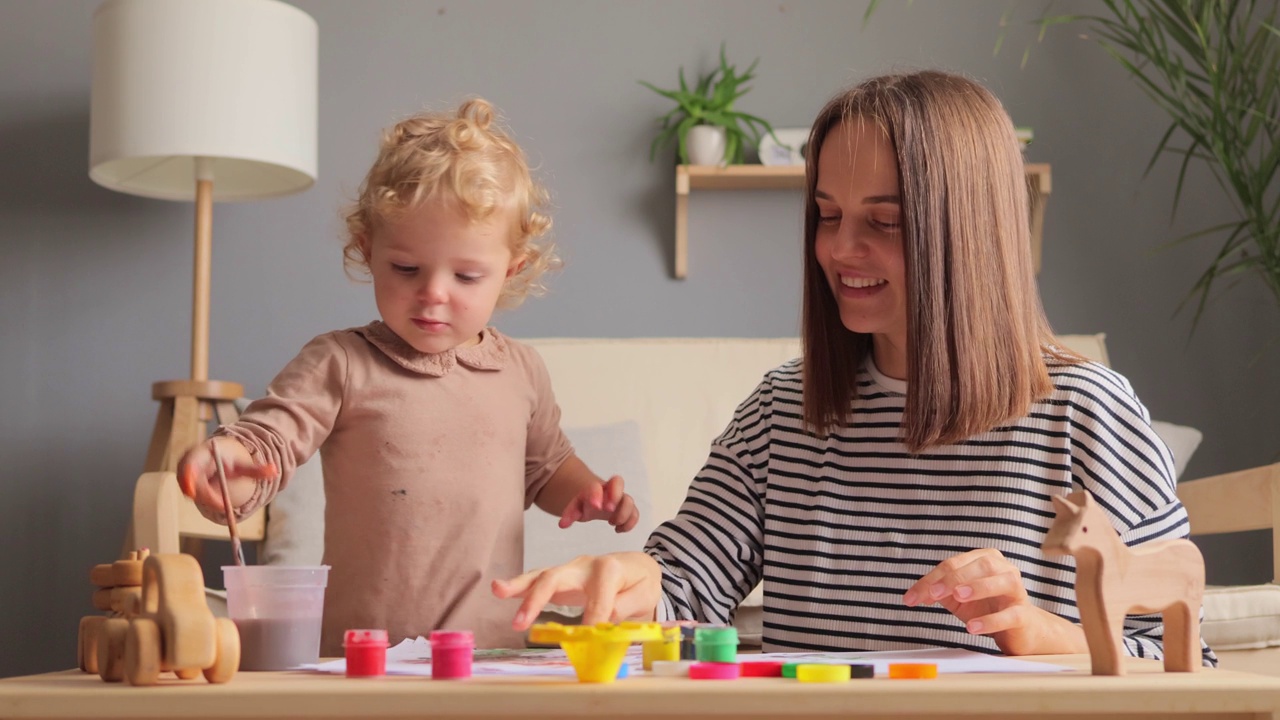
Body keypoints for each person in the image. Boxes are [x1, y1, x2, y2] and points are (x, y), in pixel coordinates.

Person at [494, 71, 1215, 666]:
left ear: (965, 229)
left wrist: (1036, 632)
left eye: (885, 221)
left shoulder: (1086, 412)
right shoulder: (786, 408)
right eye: (827, 215)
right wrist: (626, 576)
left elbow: (1181, 660)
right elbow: (687, 582)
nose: (840, 250)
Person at [178, 98, 639, 655]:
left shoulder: (522, 371)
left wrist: (588, 491)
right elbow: (273, 436)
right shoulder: (341, 362)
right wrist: (231, 466)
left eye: (467, 275)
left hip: (489, 657)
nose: (434, 293)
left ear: (510, 271)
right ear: (367, 251)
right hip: (362, 656)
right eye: (406, 268)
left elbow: (545, 468)